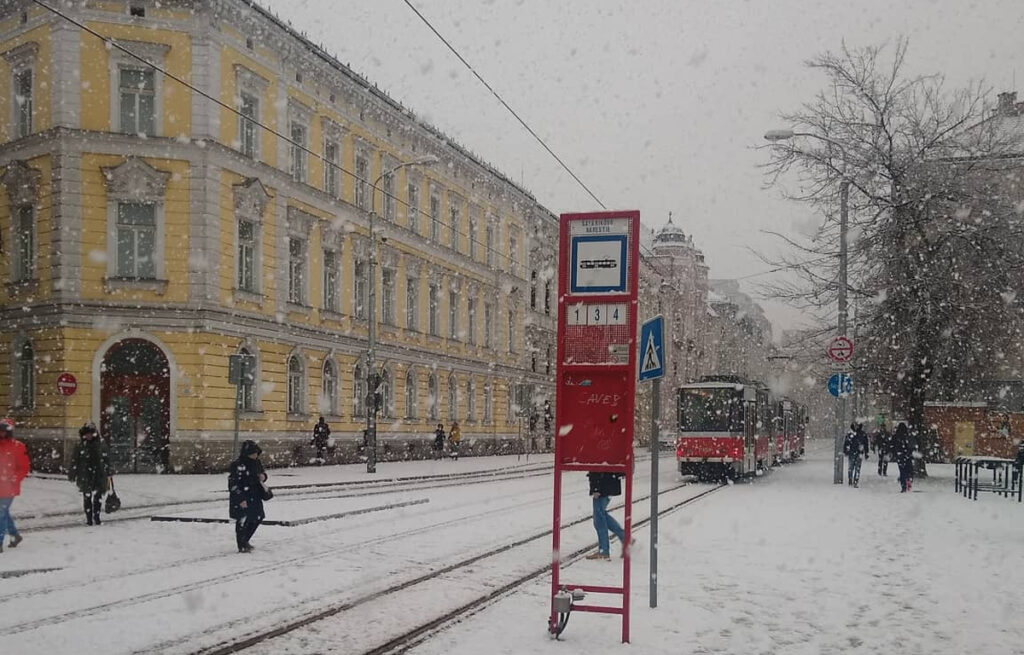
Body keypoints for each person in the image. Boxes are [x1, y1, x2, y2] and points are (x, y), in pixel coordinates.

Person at [229, 440, 268, 553]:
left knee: (258, 517)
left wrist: (263, 476)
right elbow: (233, 483)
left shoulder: (257, 463)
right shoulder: (237, 465)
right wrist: (240, 499)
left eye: (256, 453)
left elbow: (262, 474)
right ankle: (241, 544)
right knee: (242, 520)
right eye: (253, 453)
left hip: (255, 494)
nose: (255, 455)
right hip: (243, 496)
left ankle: (246, 540)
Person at [69, 422, 110, 526]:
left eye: (90, 433)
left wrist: (109, 470)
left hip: (98, 474)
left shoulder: (101, 444)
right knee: (87, 497)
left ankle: (96, 517)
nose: (88, 436)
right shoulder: (80, 445)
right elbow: (75, 460)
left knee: (97, 497)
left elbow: (107, 459)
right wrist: (72, 473)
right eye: (87, 434)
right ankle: (89, 518)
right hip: (85, 474)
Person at [0, 418, 29, 553]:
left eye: (4, 431)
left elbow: (23, 467)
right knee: (3, 513)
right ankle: (15, 535)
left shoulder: (18, 446)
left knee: (1, 513)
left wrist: (13, 478)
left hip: (9, 487)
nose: (2, 434)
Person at [585, 471, 628, 560]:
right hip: (609, 482)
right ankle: (625, 538)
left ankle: (604, 550)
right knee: (601, 514)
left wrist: (595, 487)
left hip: (602, 485)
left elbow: (596, 466)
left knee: (599, 519)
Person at [843, 422, 869, 487]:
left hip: (858, 452)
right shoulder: (852, 434)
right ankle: (851, 480)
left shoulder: (861, 434)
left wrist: (866, 452)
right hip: (853, 452)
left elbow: (866, 444)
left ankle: (855, 481)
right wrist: (846, 451)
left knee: (856, 468)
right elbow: (846, 443)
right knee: (852, 467)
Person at [892, 423, 915, 493]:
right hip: (907, 456)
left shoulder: (896, 436)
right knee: (909, 471)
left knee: (902, 471)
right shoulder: (908, 436)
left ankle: (903, 486)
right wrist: (909, 453)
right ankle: (909, 482)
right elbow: (912, 446)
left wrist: (895, 454)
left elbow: (892, 446)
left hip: (900, 456)